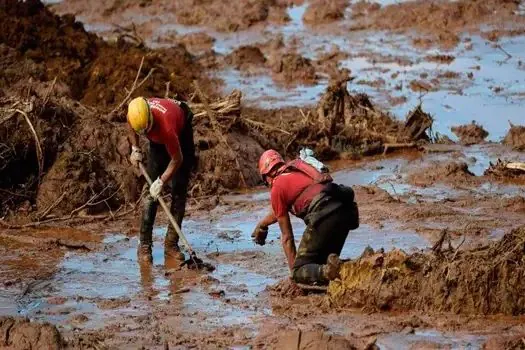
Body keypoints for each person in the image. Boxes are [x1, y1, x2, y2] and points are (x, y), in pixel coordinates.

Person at [252, 150, 359, 285]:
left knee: (301, 270)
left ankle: (328, 272)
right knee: (322, 263)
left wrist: (294, 275)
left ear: (267, 176)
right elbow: (278, 212)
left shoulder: (277, 187)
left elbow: (287, 238)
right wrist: (262, 225)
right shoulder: (298, 167)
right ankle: (358, 266)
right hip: (345, 209)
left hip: (324, 213)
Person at [127, 97, 195, 263]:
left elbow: (177, 159)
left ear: (151, 118)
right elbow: (130, 126)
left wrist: (162, 181)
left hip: (181, 133)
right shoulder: (135, 113)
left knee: (178, 190)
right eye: (141, 132)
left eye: (146, 131)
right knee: (150, 193)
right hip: (157, 137)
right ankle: (144, 245)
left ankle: (171, 245)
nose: (144, 135)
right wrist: (135, 148)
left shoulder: (167, 127)